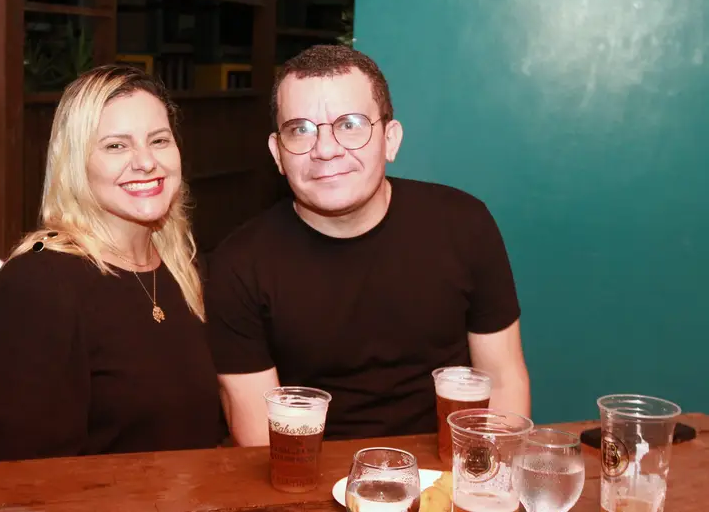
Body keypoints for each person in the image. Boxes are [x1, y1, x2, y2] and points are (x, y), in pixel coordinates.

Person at [206, 45, 530, 446]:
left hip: (450, 469)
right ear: (278, 153)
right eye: (301, 129)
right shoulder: (239, 265)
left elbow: (503, 380)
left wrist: (489, 476)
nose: (325, 149)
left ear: (390, 140)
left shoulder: (465, 224)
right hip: (309, 472)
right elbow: (258, 439)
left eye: (350, 124)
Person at [0, 65, 221, 464]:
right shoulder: (36, 284)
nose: (146, 162)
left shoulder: (183, 269)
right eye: (116, 146)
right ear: (76, 164)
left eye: (159, 140)